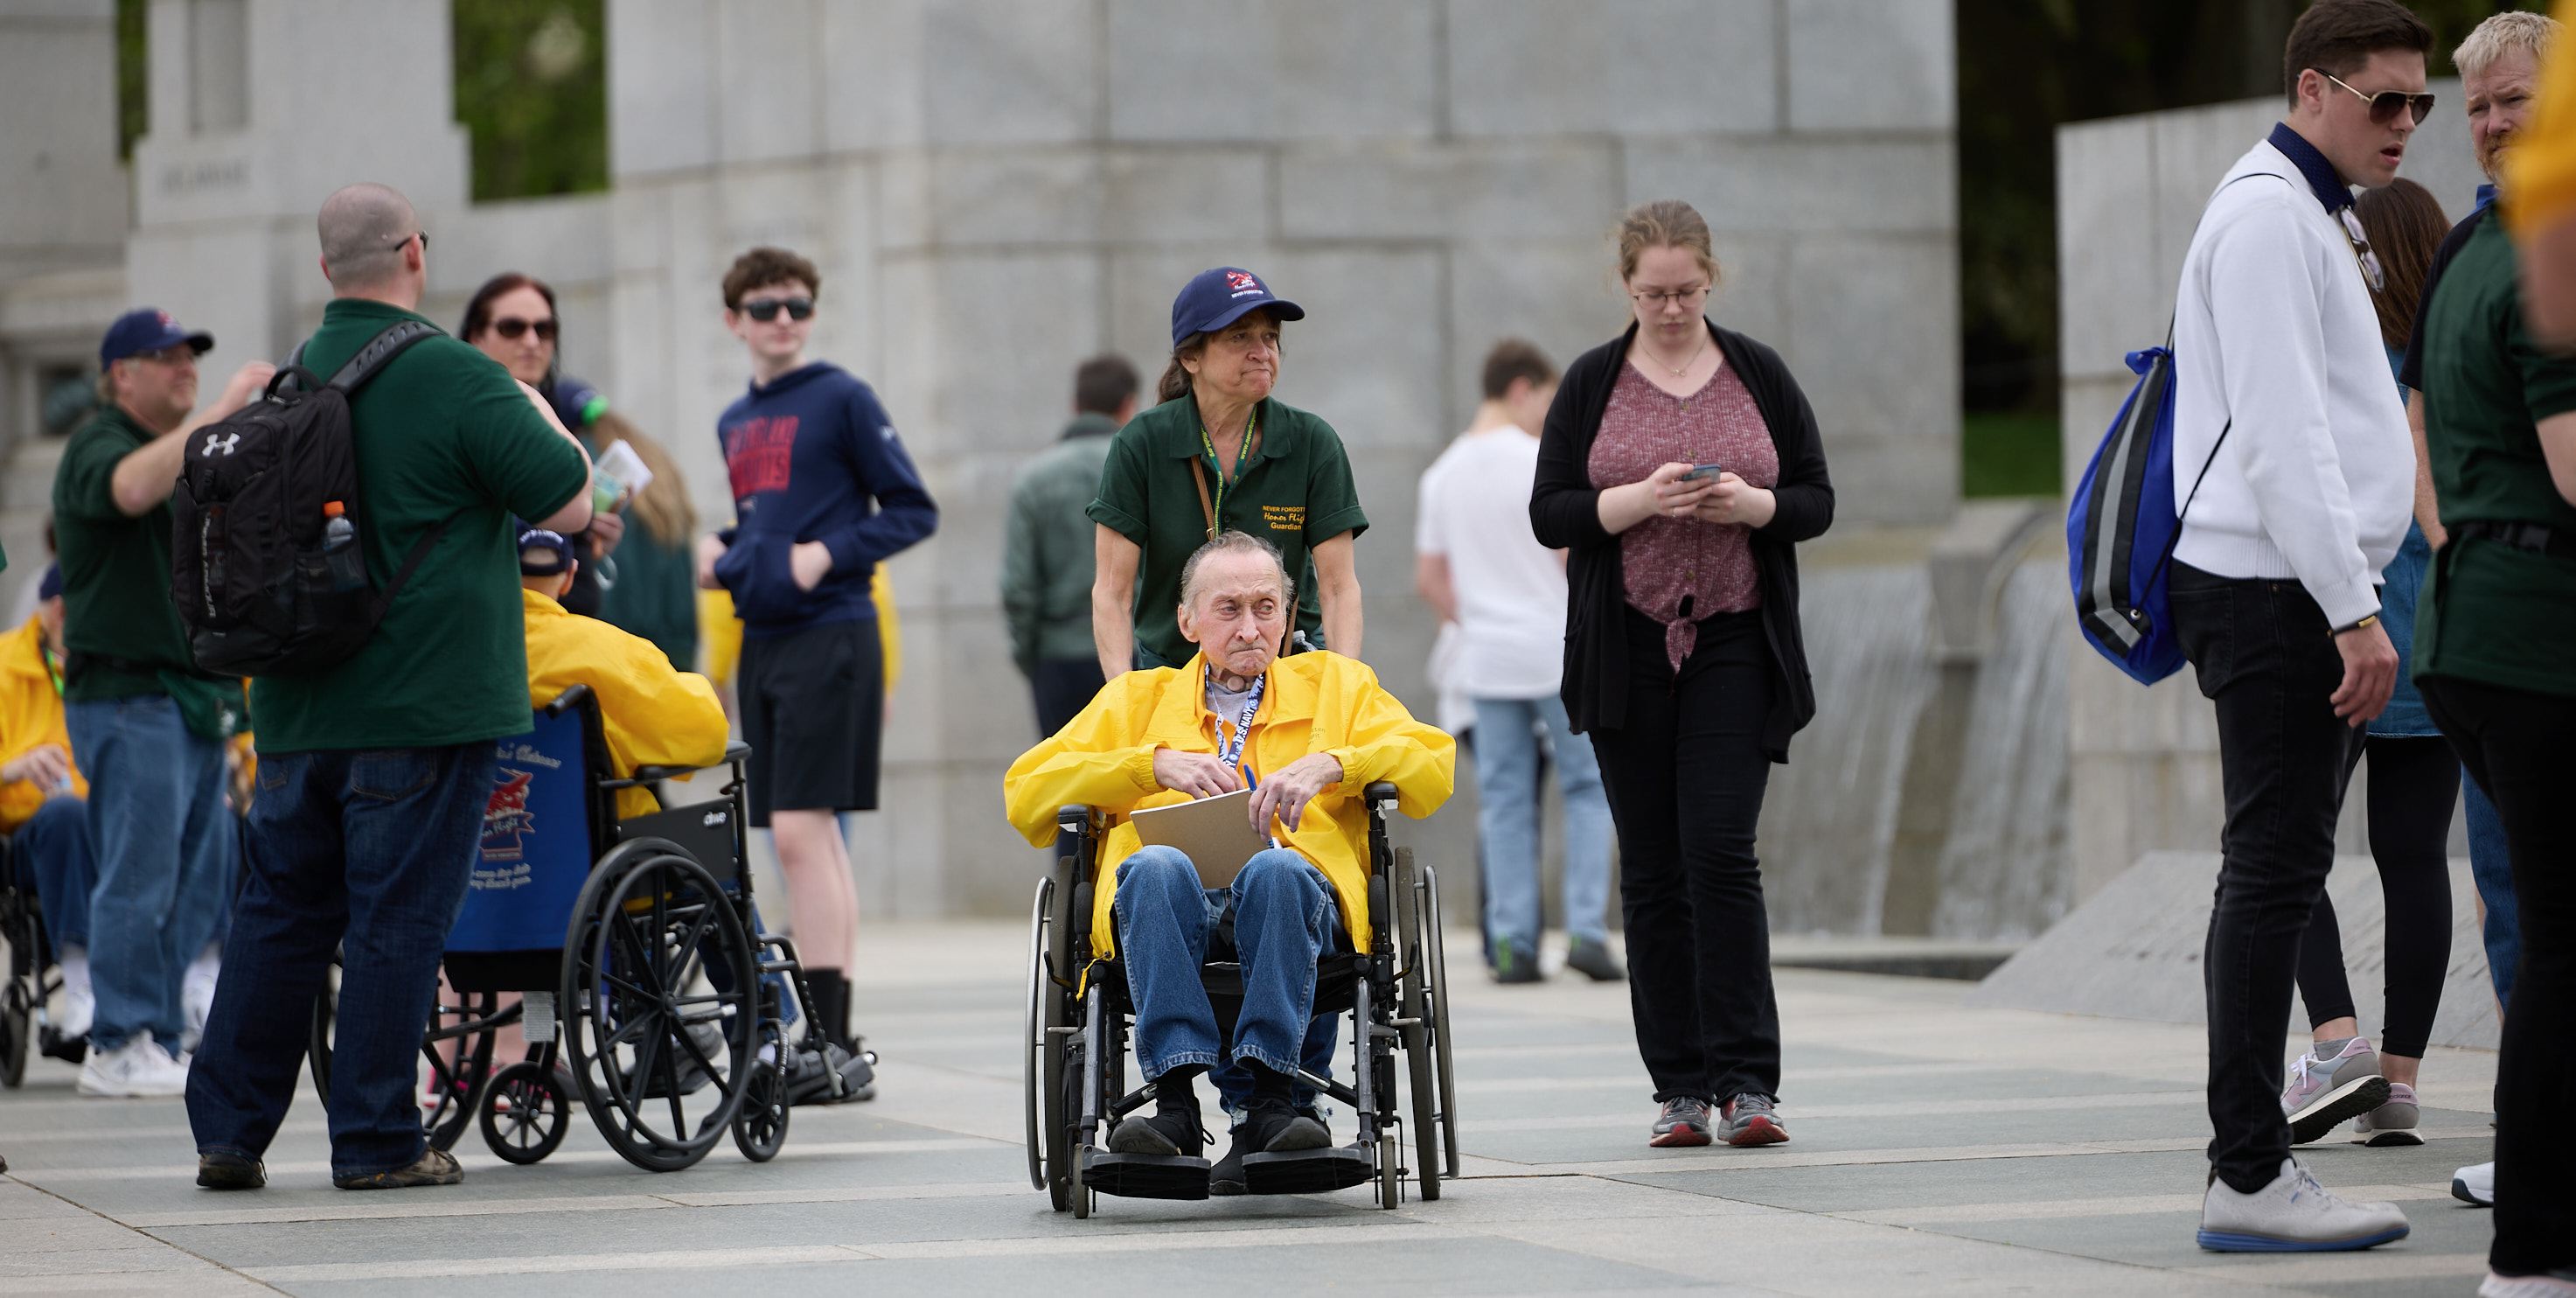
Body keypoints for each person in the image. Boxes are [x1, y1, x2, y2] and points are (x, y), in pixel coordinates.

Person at [186, 182, 595, 1193]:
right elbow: (570, 501)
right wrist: (535, 405)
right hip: (425, 705)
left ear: (328, 269)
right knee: (396, 918)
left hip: (294, 708)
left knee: (279, 914)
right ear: (416, 252)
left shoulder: (289, 380)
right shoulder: (457, 375)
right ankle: (375, 1137)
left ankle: (229, 1131)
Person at [2162, 0, 2427, 1253]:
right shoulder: (2272, 215)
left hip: (2279, 587)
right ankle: (2250, 1175)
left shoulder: (2304, 209)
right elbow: (2281, 434)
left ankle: (2251, 1170)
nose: (2409, 122)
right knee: (2271, 874)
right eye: (2386, 98)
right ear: (2313, 89)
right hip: (2277, 592)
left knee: (2269, 872)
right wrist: (2351, 609)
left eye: (2419, 100)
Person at [1003, 532, 1452, 1192]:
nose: (1250, 628)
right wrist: (1149, 765)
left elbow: (1433, 764)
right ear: (1187, 621)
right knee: (1155, 866)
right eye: (1229, 609)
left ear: (1288, 617)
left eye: (1266, 608)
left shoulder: (1336, 686)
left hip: (1295, 904)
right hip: (1166, 907)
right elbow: (1026, 790)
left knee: (1277, 870)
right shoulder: (1137, 701)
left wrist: (1338, 763)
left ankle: (1273, 1101)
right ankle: (1175, 1105)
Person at [1529, 200, 1835, 1152]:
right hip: (1625, 646)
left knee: (1721, 852)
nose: (1670, 309)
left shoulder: (1758, 372)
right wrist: (1635, 500)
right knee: (1654, 869)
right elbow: (1550, 512)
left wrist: (1753, 504)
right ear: (1626, 286)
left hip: (1736, 639)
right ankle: (1679, 1087)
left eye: (1687, 292)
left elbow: (1816, 498)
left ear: (1711, 280)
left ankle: (1747, 1083)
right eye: (1653, 294)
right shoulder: (1592, 381)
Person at [693, 246, 937, 1063]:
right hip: (762, 640)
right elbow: (768, 524)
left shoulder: (842, 397)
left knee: (803, 833)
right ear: (734, 321)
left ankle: (828, 1036)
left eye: (797, 305)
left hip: (832, 630)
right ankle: (828, 1037)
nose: (783, 320)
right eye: (765, 307)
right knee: (808, 839)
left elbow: (911, 509)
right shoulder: (734, 421)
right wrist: (723, 547)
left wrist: (824, 555)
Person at [2412, 105, 2576, 1297]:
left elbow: (2419, 435)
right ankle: (2532, 1251)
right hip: (2537, 642)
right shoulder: (2546, 249)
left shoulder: (2472, 244)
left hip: (2471, 631)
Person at [50, 307, 268, 1099]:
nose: (185, 368)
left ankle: (157, 1035)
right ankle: (118, 1040)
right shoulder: (98, 442)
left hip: (189, 695)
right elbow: (130, 486)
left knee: (196, 879)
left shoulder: (180, 452)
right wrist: (223, 413)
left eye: (191, 356)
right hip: (129, 693)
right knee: (139, 876)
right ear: (121, 375)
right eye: (165, 356)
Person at [2280, 177, 2455, 1154]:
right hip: (2439, 640)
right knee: (2416, 857)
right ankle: (2400, 1085)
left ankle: (2336, 1041)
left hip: (2344, 633)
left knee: (2287, 841)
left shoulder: (2343, 374)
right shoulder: (2447, 374)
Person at [1417, 339, 1619, 986]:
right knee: (1588, 788)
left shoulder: (1441, 474)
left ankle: (1512, 944)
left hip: (1486, 658)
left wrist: (1479, 619)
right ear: (1521, 388)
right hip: (1556, 648)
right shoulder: (1540, 461)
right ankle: (1587, 933)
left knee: (1504, 801)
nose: (1549, 417)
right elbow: (1570, 554)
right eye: (1547, 401)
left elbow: (1430, 578)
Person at [1088, 267, 1367, 681]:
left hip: (1289, 673)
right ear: (1191, 357)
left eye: (1270, 336)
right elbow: (1113, 592)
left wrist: (1344, 691)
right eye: (1240, 337)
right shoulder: (1141, 443)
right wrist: (1123, 695)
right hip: (1172, 674)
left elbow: (1339, 588)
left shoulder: (1313, 441)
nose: (1262, 351)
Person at [461, 273, 625, 618]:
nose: (532, 341)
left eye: (544, 329)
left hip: (571, 624)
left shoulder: (569, 418)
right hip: (495, 627)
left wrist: (591, 535)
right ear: (476, 336)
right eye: (512, 328)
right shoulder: (458, 422)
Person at [1006, 355, 1138, 735]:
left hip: (1058, 655)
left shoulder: (1033, 479)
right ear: (1128, 406)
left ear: (1076, 404)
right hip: (1132, 652)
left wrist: (1031, 657)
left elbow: (1017, 587)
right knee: (1138, 766)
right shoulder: (1141, 470)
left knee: (1066, 768)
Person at [2, 566, 94, 1046]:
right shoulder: (5, 666)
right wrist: (14, 767)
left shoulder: (108, 668)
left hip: (110, 829)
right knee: (65, 815)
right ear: (61, 613)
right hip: (32, 839)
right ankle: (80, 989)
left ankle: (196, 989)